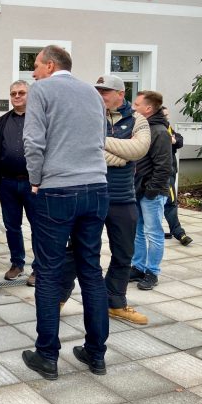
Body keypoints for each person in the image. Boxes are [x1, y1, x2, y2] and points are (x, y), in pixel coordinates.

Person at [21, 46, 109, 380]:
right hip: (96, 188)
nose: (33, 73)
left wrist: (35, 180)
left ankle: (47, 356)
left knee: (48, 272)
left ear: (50, 65)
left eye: (36, 66)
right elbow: (101, 139)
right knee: (91, 271)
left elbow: (33, 142)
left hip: (57, 189)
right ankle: (96, 354)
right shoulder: (93, 93)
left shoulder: (42, 90)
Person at [61, 75, 151, 325]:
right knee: (76, 250)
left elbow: (139, 150)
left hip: (123, 198)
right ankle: (58, 297)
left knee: (124, 253)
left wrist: (100, 144)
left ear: (121, 94)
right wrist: (123, 153)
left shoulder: (138, 120)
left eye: (106, 91)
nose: (100, 95)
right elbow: (81, 151)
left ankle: (115, 302)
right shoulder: (89, 116)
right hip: (91, 195)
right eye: (98, 91)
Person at [0, 80, 37, 286]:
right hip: (7, 183)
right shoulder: (2, 122)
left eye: (21, 93)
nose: (16, 96)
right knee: (12, 227)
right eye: (13, 93)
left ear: (30, 95)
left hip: (33, 184)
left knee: (38, 226)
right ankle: (17, 263)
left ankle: (39, 268)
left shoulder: (39, 119)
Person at [130, 91, 172, 291]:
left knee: (153, 232)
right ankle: (138, 267)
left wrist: (151, 192)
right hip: (138, 189)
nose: (133, 108)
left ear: (148, 108)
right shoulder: (141, 128)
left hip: (151, 193)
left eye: (137, 105)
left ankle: (152, 272)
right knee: (137, 231)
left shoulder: (160, 132)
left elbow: (164, 166)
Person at [161, 107, 193, 246]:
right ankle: (178, 232)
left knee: (169, 202)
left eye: (167, 115)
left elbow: (179, 140)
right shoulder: (153, 129)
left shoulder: (168, 127)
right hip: (160, 173)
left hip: (169, 172)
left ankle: (178, 232)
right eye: (165, 115)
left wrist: (174, 140)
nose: (167, 117)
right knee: (165, 203)